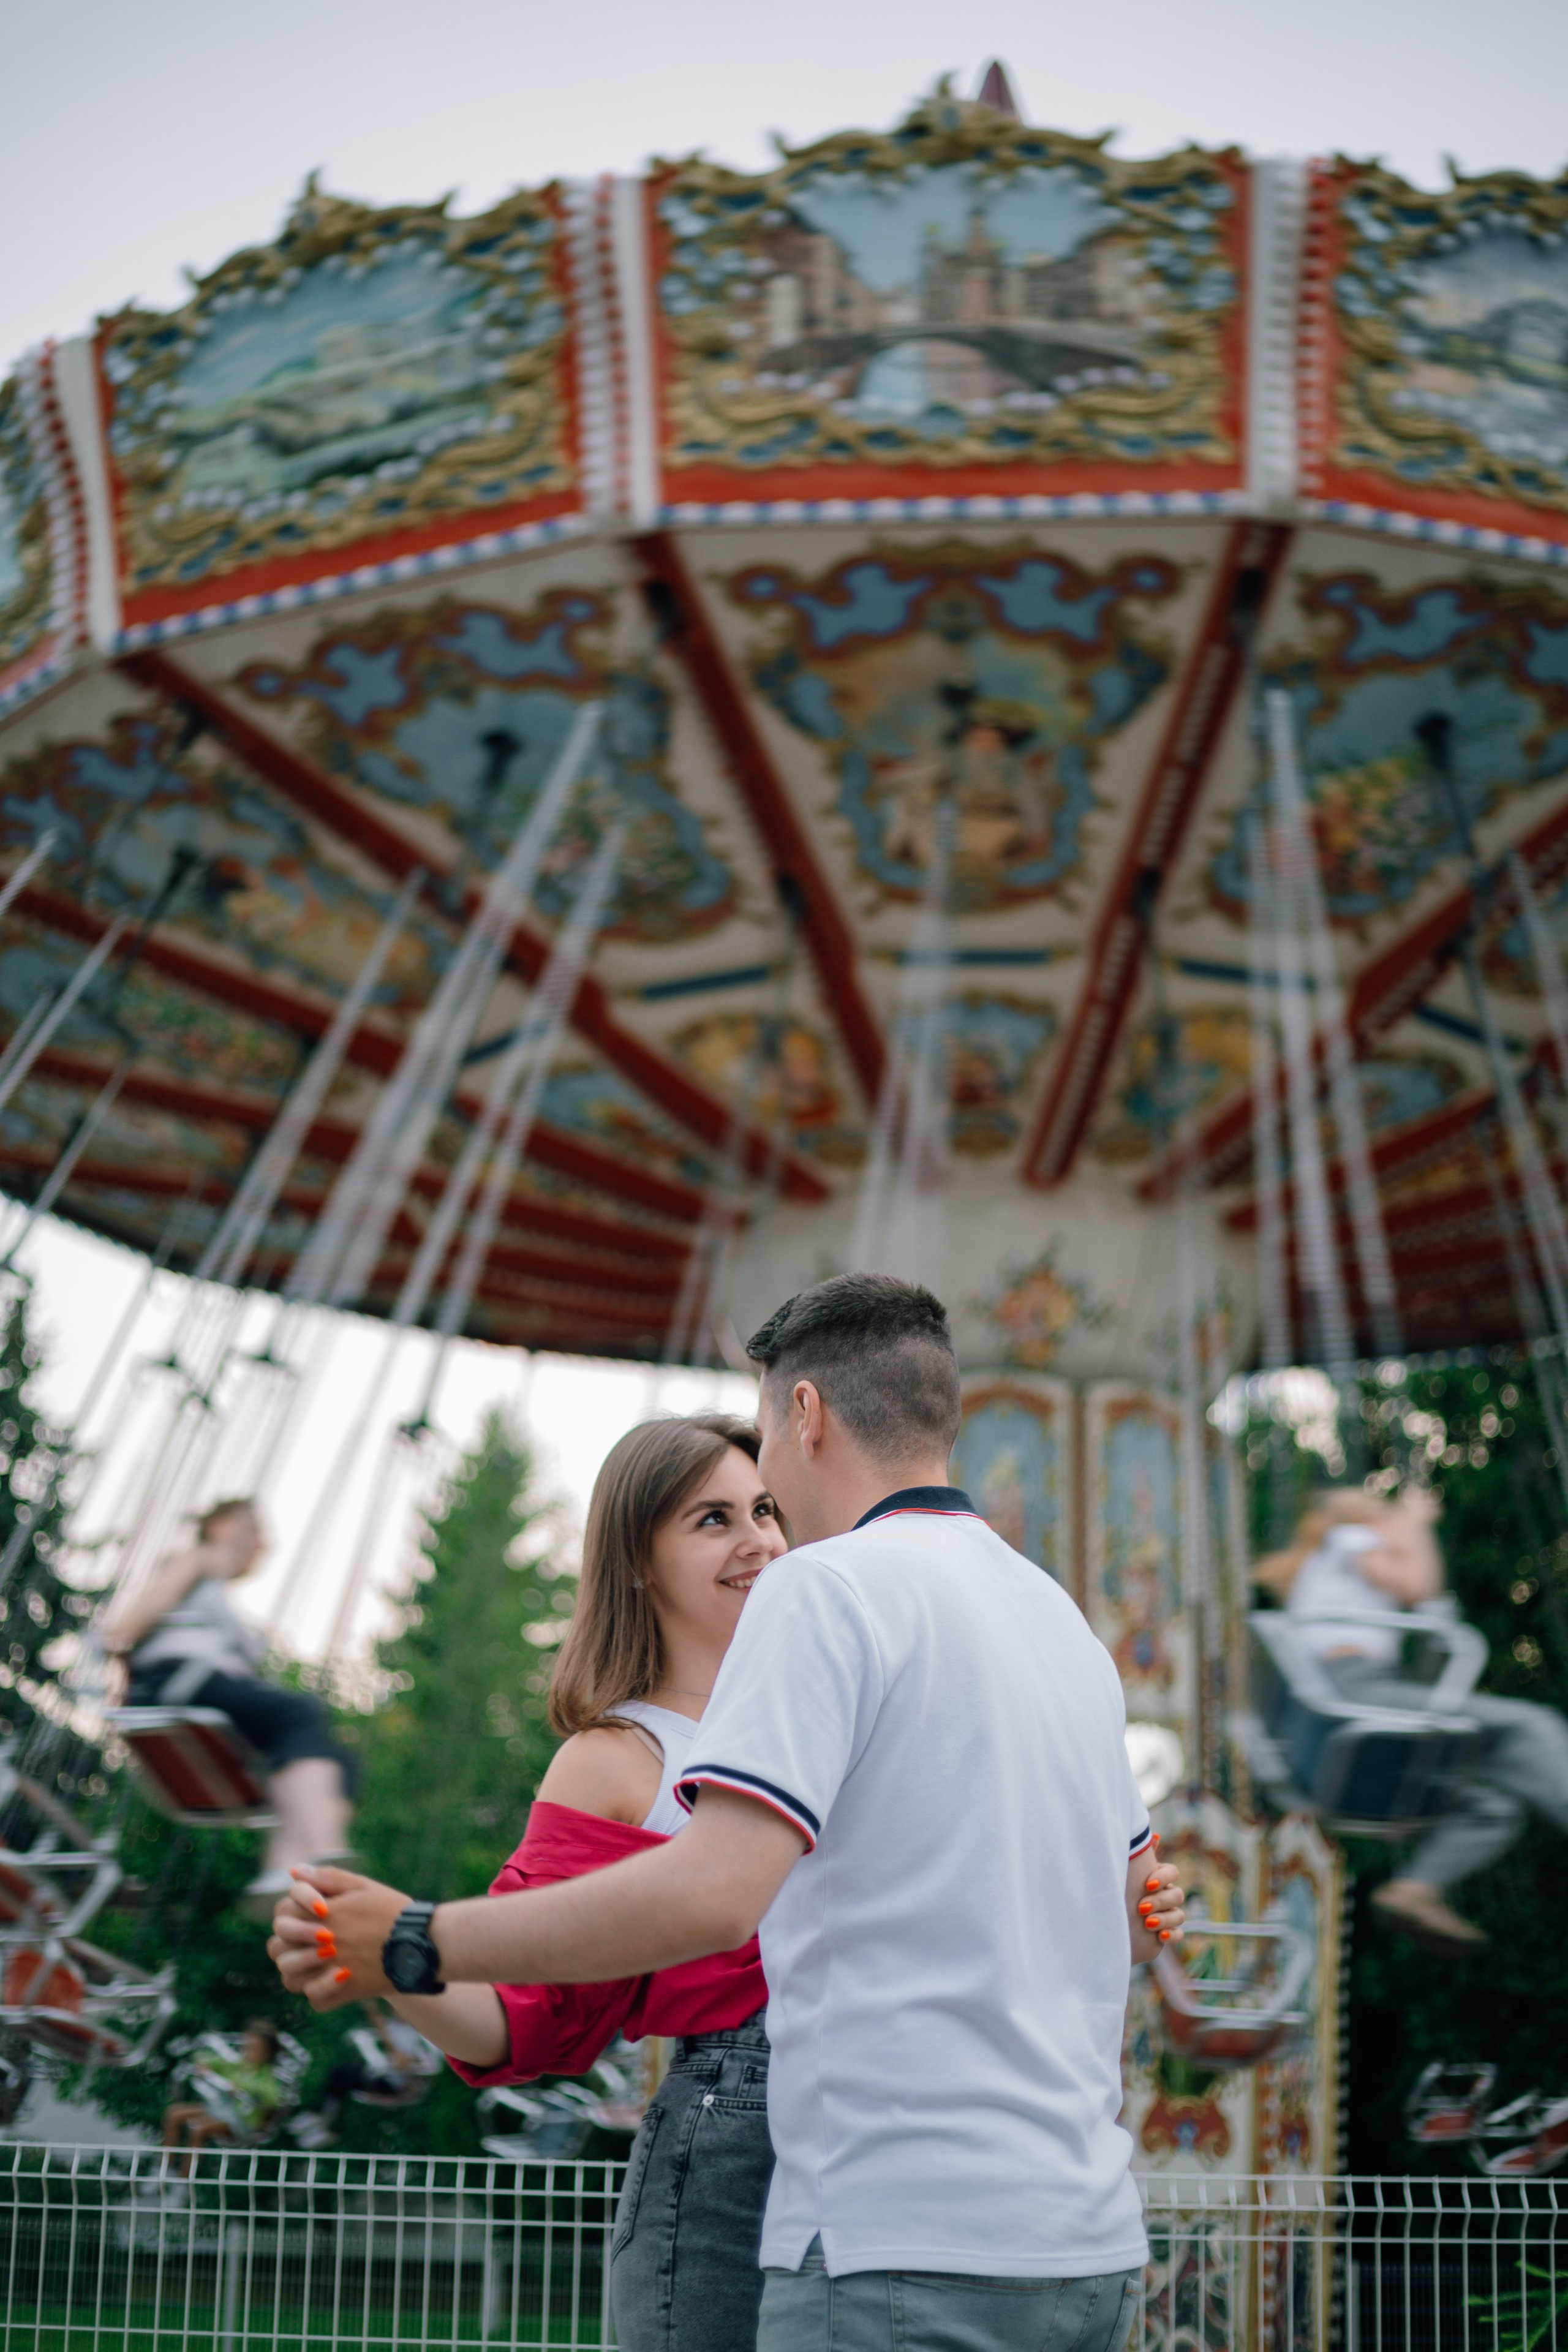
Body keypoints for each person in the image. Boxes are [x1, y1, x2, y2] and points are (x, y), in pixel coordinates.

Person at [272, 1275, 1186, 2352]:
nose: (762, 1536)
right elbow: (1112, 1913)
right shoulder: (1061, 1624)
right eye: (714, 1519)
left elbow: (715, 1893)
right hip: (1073, 2228)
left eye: (761, 1494)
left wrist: (423, 1937)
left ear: (803, 1416)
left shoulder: (835, 1594)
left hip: (885, 2213)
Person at [1259, 1486, 1568, 1945]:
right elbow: (1419, 1586)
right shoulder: (1349, 1539)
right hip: (1352, 1693)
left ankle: (1415, 1888)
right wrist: (1414, 1525)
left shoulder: (1323, 1569)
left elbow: (1424, 1611)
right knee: (1530, 1727)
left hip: (1331, 1734)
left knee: (1493, 1808)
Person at [100, 1498, 356, 1916]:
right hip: (180, 1681)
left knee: (342, 1761)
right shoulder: (196, 1560)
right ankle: (318, 1851)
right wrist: (113, 1645)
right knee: (301, 1713)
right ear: (220, 1527)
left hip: (207, 1688)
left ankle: (290, 1865)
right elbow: (143, 1612)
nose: (262, 1544)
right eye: (252, 1531)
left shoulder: (216, 1596)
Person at [162, 2017, 285, 2169]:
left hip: (241, 2121)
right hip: (220, 2110)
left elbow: (272, 2098)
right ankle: (164, 2167)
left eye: (254, 2049)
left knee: (198, 2128)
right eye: (247, 2047)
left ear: (266, 2053)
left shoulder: (266, 2076)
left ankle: (184, 2180)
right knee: (174, 2113)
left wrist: (244, 2089)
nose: (248, 2052)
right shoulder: (238, 2065)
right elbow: (207, 2058)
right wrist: (204, 2065)